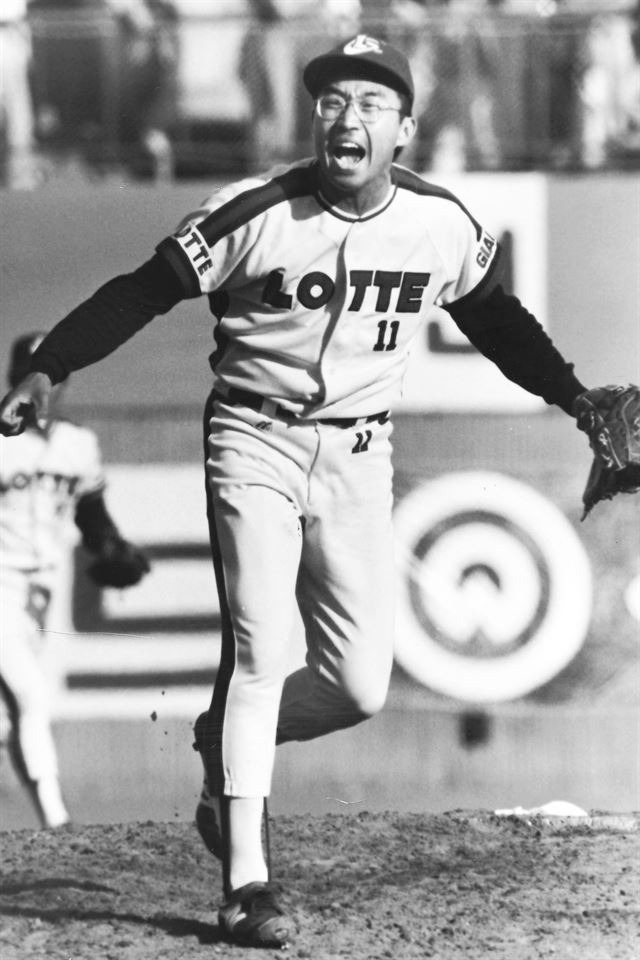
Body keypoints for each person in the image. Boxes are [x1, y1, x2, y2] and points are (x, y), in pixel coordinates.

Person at [0, 34, 609, 947]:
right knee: (258, 646)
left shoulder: (440, 222)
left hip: (360, 454)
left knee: (358, 685)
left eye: (370, 102)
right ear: (312, 117)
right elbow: (142, 291)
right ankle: (246, 882)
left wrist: (574, 396)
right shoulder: (256, 211)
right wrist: (52, 364)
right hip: (254, 437)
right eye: (331, 99)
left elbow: (496, 319)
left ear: (404, 129)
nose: (346, 117)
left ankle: (222, 743)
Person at [0, 333, 150, 830]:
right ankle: (57, 821)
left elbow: (91, 513)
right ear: (13, 377)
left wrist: (111, 546)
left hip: (42, 590)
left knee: (15, 713)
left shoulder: (78, 444)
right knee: (30, 695)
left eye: (55, 373)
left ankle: (48, 820)